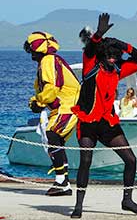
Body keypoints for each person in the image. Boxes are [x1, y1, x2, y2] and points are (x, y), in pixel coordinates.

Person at [70, 13, 137, 218]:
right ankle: (78, 206)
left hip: (108, 123)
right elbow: (89, 49)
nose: (112, 59)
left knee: (130, 159)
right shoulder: (90, 66)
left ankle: (127, 200)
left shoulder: (117, 69)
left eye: (115, 56)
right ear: (103, 55)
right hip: (87, 121)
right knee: (85, 161)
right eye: (109, 55)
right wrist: (98, 34)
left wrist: (121, 44)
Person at [23, 31, 80, 196]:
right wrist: (37, 100)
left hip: (68, 106)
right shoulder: (50, 61)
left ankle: (62, 181)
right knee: (57, 142)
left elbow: (51, 87)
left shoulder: (48, 60)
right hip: (64, 107)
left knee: (52, 136)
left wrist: (39, 102)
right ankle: (63, 182)